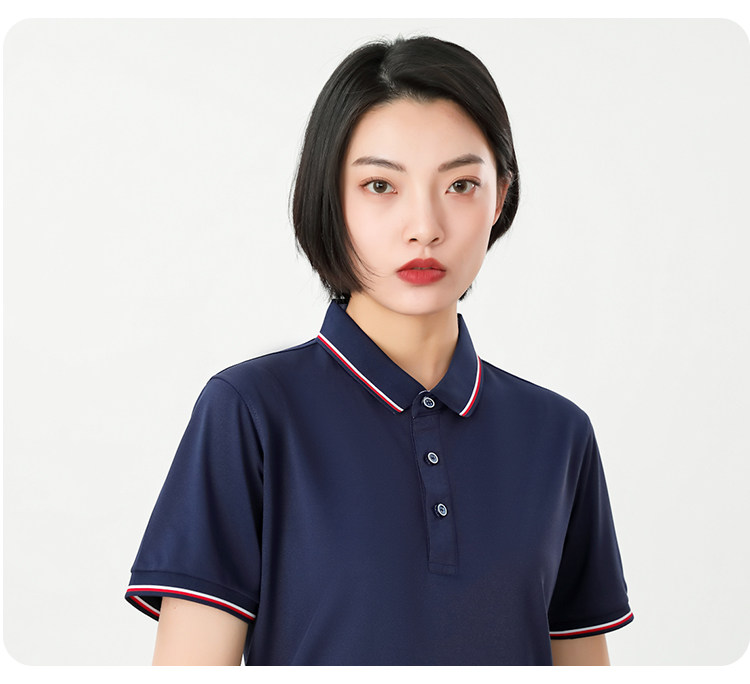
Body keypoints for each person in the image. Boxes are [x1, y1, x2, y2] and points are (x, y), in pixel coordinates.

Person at [124, 35, 633, 666]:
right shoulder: (249, 413)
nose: (425, 227)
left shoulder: (558, 436)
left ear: (500, 197)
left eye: (461, 184)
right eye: (380, 186)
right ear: (330, 198)